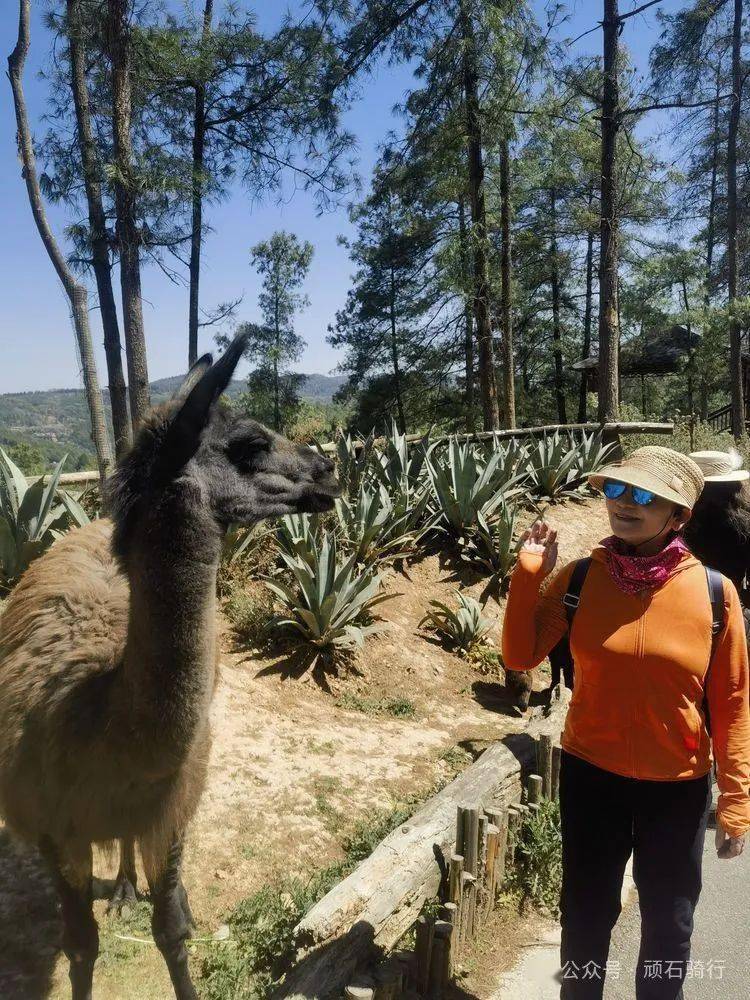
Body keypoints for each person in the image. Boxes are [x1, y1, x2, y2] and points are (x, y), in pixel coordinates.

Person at [501, 446, 750, 1000]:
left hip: (678, 788)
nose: (624, 504)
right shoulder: (581, 579)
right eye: (616, 490)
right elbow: (520, 657)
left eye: (644, 496)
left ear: (679, 515)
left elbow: (733, 701)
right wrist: (526, 577)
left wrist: (735, 801)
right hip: (593, 778)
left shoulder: (714, 593)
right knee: (586, 918)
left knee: (669, 925)